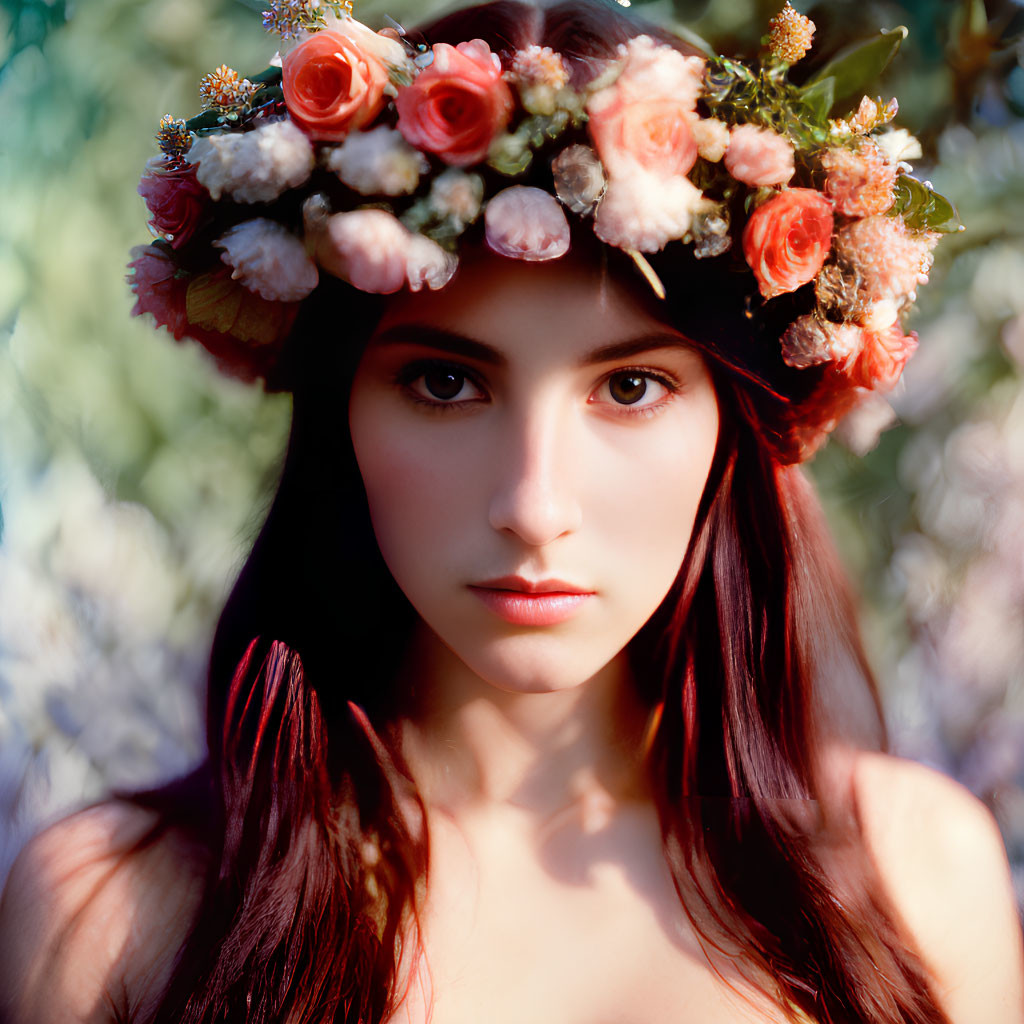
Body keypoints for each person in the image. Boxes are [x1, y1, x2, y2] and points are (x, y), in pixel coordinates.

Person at [0, 1, 1021, 1021]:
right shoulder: (118, 911)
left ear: (731, 429)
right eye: (445, 383)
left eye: (628, 389)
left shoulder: (916, 881)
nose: (534, 506)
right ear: (339, 413)